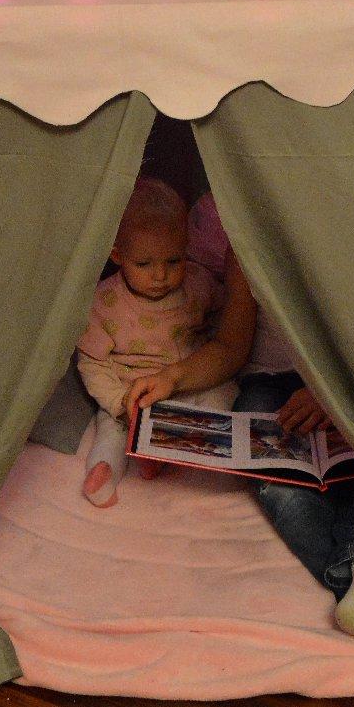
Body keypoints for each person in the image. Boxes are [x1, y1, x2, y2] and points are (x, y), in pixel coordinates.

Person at [126, 193, 354, 678]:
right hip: (269, 384)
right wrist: (173, 378)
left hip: (342, 382)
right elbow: (230, 347)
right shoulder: (250, 244)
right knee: (280, 484)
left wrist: (330, 395)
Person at [76, 178, 248, 508]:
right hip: (131, 393)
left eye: (173, 261)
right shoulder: (104, 302)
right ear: (118, 255)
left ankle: (167, 452)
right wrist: (118, 401)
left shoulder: (198, 285)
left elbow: (224, 324)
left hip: (186, 384)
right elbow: (92, 362)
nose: (160, 275)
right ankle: (104, 472)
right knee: (111, 431)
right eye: (144, 264)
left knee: (224, 396)